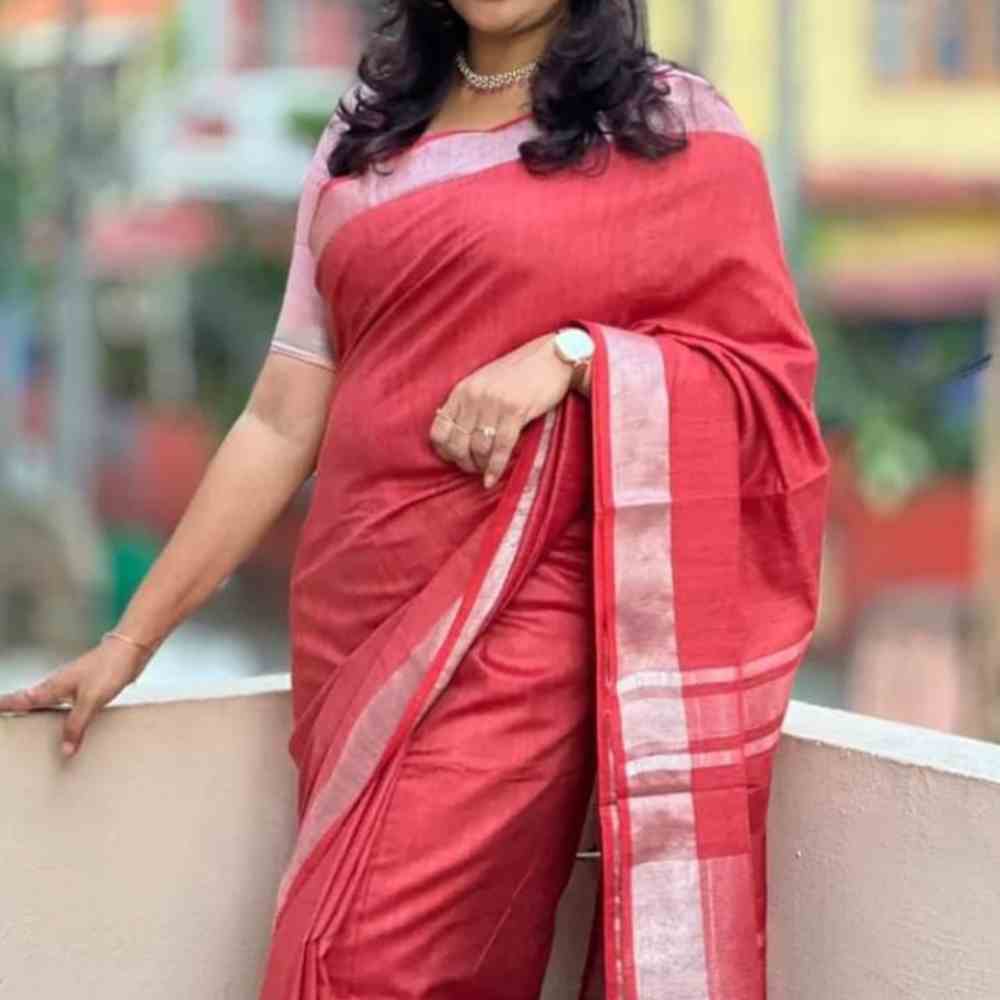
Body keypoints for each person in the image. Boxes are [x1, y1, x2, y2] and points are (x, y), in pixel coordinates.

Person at [0, 0, 830, 996]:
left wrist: (574, 358)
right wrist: (131, 640)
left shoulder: (670, 131)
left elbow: (764, 384)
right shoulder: (365, 137)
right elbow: (279, 414)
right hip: (353, 615)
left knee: (371, 963)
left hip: (519, 624)